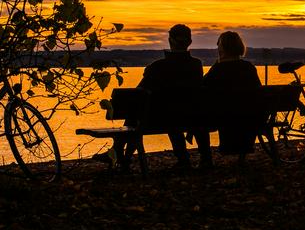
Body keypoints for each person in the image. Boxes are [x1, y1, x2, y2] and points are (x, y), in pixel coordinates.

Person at [94, 24, 210, 170]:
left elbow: (137, 93)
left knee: (136, 110)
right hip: (190, 117)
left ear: (170, 40)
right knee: (169, 113)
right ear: (190, 42)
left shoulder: (157, 67)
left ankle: (119, 153)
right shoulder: (196, 65)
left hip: (159, 119)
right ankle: (183, 159)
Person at [203, 31, 261, 163]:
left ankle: (205, 159)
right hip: (250, 115)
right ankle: (242, 152)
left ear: (222, 48)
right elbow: (258, 90)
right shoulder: (249, 67)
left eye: (218, 45)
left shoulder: (218, 69)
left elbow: (203, 86)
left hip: (225, 115)